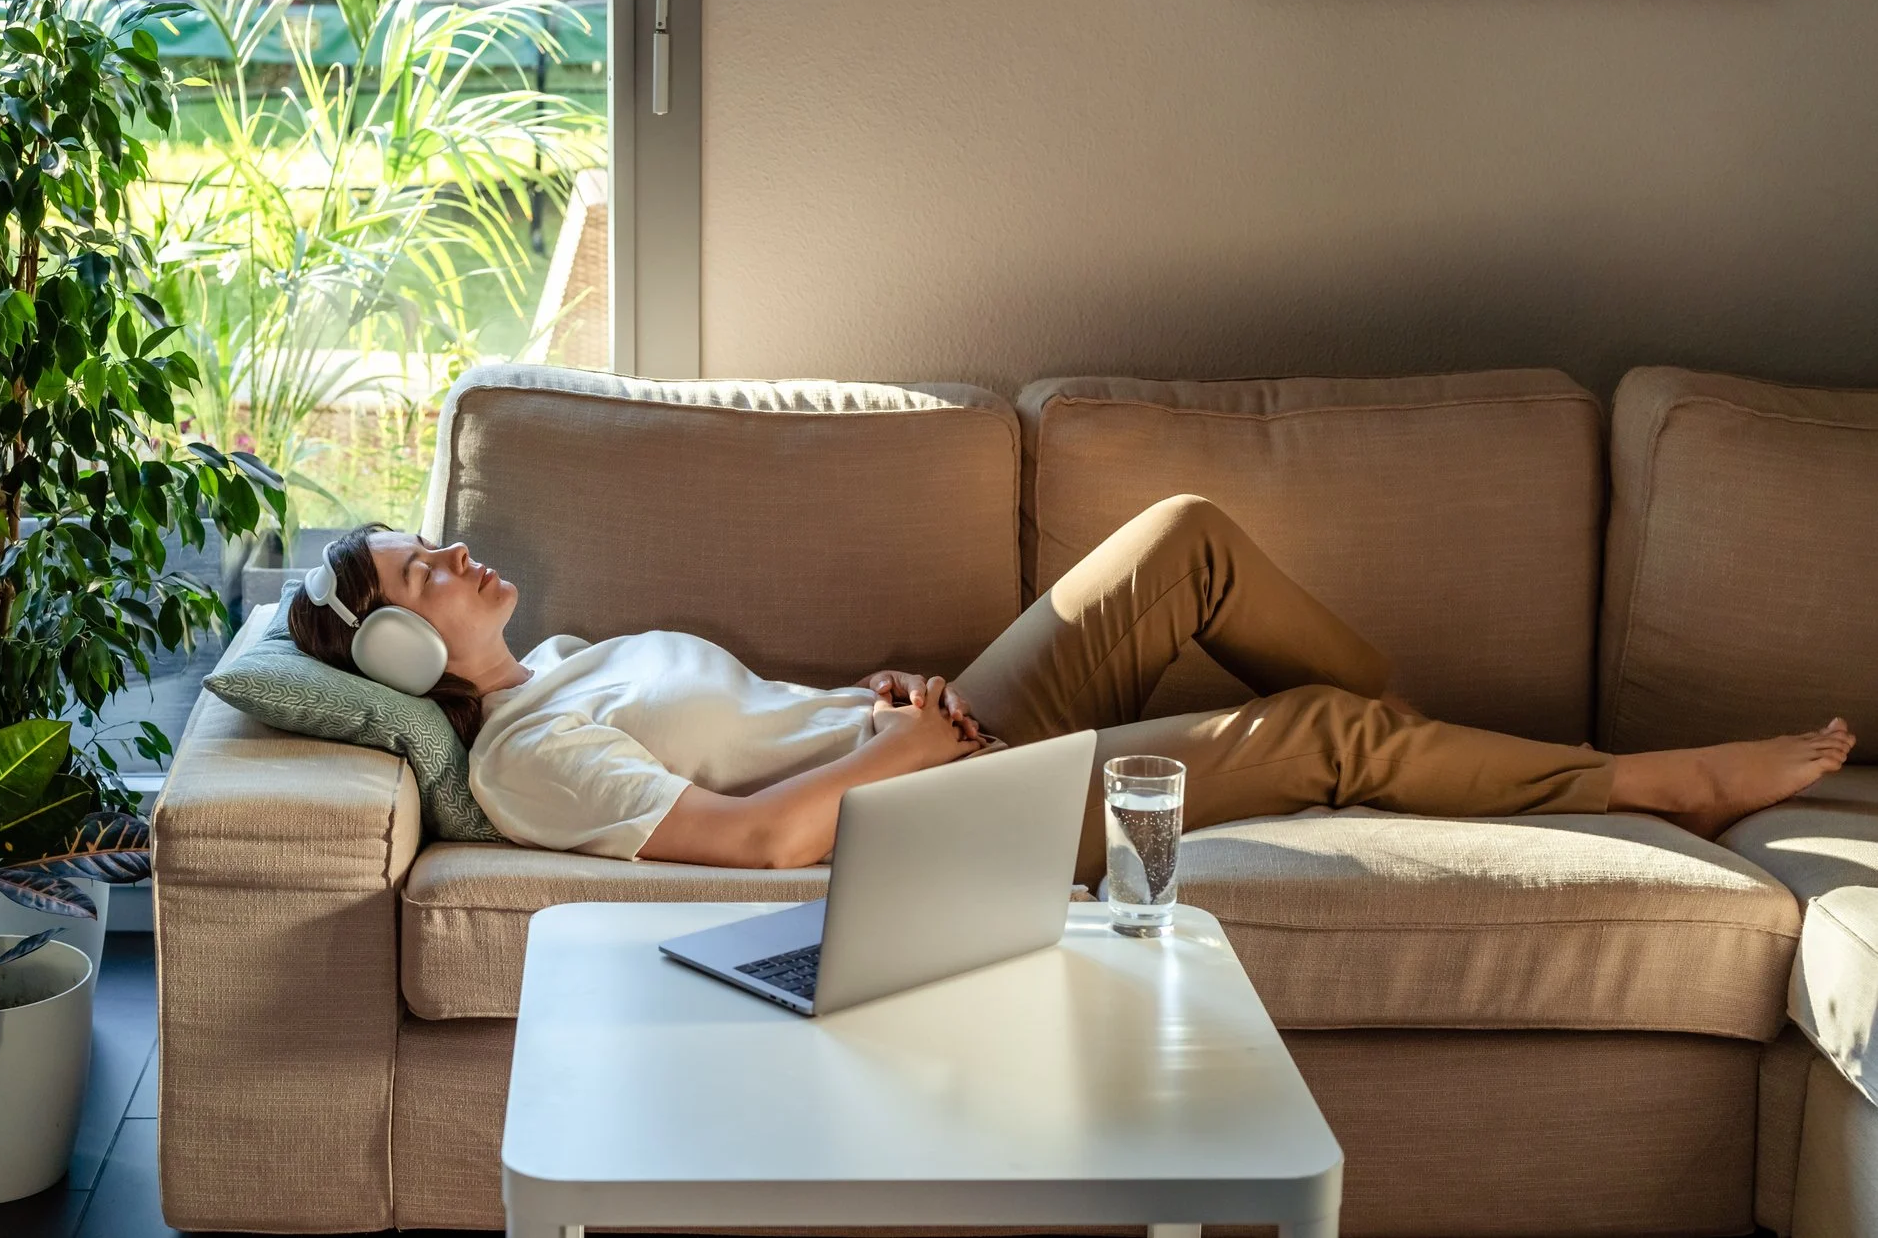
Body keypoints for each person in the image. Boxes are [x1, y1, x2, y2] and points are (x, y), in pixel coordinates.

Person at [286, 499, 1855, 883]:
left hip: (929, 727)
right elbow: (755, 845)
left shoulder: (572, 663)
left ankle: (1428, 757)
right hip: (939, 811)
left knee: (1182, 543)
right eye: (417, 572)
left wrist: (877, 695)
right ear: (400, 657)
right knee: (1312, 736)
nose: (453, 554)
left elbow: (764, 719)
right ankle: (1647, 781)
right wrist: (901, 749)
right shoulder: (529, 761)